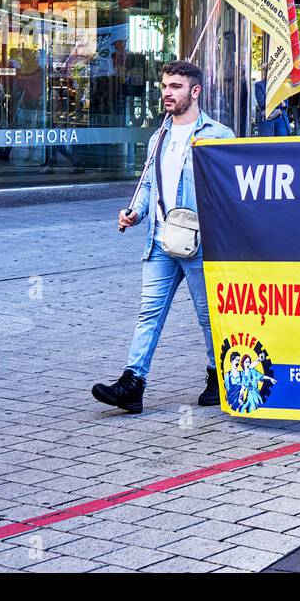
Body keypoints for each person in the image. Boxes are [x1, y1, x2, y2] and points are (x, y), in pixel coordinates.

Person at [93, 60, 235, 414]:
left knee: (208, 316)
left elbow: (231, 192)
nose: (167, 93)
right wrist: (134, 213)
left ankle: (218, 375)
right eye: (165, 86)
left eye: (175, 86)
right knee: (148, 313)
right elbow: (147, 186)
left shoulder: (219, 136)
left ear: (195, 91)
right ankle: (133, 384)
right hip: (159, 240)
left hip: (199, 242)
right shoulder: (159, 136)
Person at [252, 69, 292, 137]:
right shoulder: (259, 85)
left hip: (281, 118)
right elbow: (262, 103)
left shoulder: (281, 85)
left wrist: (275, 102)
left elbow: (285, 103)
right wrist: (279, 102)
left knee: (283, 144)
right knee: (268, 145)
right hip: (268, 119)